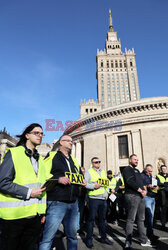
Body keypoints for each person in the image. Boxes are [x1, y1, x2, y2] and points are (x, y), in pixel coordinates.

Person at [0, 123, 46, 250]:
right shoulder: (14, 153)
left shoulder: (40, 160)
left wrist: (42, 212)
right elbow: (2, 182)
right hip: (13, 218)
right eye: (36, 133)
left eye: (42, 133)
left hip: (34, 218)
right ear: (27, 135)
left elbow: (42, 188)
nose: (40, 136)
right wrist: (29, 192)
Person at [39, 135, 84, 250]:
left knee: (73, 237)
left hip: (73, 203)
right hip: (57, 202)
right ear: (61, 142)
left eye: (71, 141)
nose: (70, 142)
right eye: (68, 141)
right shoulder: (52, 155)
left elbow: (79, 176)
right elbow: (42, 173)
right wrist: (58, 178)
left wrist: (82, 181)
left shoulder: (73, 159)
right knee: (48, 238)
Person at [122, 154, 152, 249]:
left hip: (140, 196)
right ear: (130, 160)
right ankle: (128, 241)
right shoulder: (127, 169)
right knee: (131, 219)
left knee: (141, 219)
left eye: (137, 160)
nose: (136, 161)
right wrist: (141, 190)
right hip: (132, 196)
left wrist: (145, 190)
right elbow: (130, 182)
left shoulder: (137, 170)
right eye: (135, 159)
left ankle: (143, 239)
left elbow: (142, 183)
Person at [84, 157, 113, 248]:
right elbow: (85, 184)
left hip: (103, 199)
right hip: (93, 198)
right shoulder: (88, 172)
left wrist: (107, 193)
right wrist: (93, 186)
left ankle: (103, 238)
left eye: (99, 162)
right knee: (91, 220)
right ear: (92, 163)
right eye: (96, 162)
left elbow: (106, 184)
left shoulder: (103, 172)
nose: (98, 163)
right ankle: (89, 239)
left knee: (103, 220)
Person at [141, 164, 158, 243]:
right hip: (147, 197)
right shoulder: (142, 175)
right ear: (145, 169)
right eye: (149, 171)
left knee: (151, 217)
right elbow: (141, 185)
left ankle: (150, 233)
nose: (150, 173)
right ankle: (149, 234)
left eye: (151, 171)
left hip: (152, 197)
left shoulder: (150, 176)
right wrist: (148, 186)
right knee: (149, 216)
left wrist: (156, 187)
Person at [156, 165, 168, 230]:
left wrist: (164, 183)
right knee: (163, 207)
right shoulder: (158, 176)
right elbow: (159, 183)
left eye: (165, 169)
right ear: (161, 170)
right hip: (162, 192)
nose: (164, 170)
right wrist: (165, 183)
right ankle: (163, 223)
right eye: (163, 169)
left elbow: (162, 183)